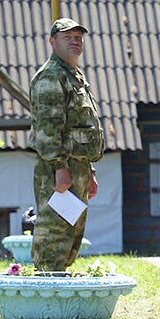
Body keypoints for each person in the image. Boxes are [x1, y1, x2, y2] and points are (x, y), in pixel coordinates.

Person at [28, 18, 104, 271]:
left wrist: (90, 170)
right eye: (67, 37)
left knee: (70, 236)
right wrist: (60, 168)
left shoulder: (73, 75)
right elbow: (47, 130)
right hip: (59, 170)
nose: (75, 41)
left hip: (77, 168)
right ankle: (45, 295)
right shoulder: (51, 76)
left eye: (78, 37)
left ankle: (58, 289)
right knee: (54, 236)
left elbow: (81, 127)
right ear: (52, 42)